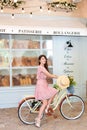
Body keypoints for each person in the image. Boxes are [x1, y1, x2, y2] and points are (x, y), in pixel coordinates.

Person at [34, 54, 58, 127]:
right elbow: (49, 75)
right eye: (42, 59)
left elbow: (46, 76)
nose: (44, 60)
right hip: (41, 86)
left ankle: (47, 107)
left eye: (45, 59)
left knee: (55, 91)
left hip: (44, 85)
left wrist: (53, 76)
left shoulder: (43, 67)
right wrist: (56, 76)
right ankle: (38, 119)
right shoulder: (40, 67)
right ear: (39, 60)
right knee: (44, 103)